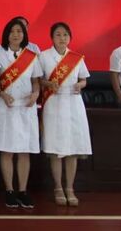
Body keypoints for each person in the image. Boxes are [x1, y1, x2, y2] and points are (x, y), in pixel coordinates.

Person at [0, 18, 41, 209]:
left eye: (19, 31)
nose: (16, 34)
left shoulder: (31, 55)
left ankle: (23, 191)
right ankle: (10, 190)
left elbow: (36, 81)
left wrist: (35, 94)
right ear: (6, 34)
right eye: (12, 31)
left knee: (24, 150)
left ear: (24, 34)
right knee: (7, 150)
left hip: (26, 107)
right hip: (6, 107)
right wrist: (2, 94)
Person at [39, 22, 91, 206]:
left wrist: (80, 85)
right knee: (55, 148)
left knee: (72, 149)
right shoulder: (44, 56)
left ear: (70, 37)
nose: (62, 38)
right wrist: (48, 84)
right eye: (58, 35)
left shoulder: (76, 58)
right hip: (53, 103)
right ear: (52, 38)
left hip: (73, 104)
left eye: (65, 35)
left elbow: (84, 79)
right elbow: (38, 79)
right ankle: (58, 187)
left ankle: (70, 188)